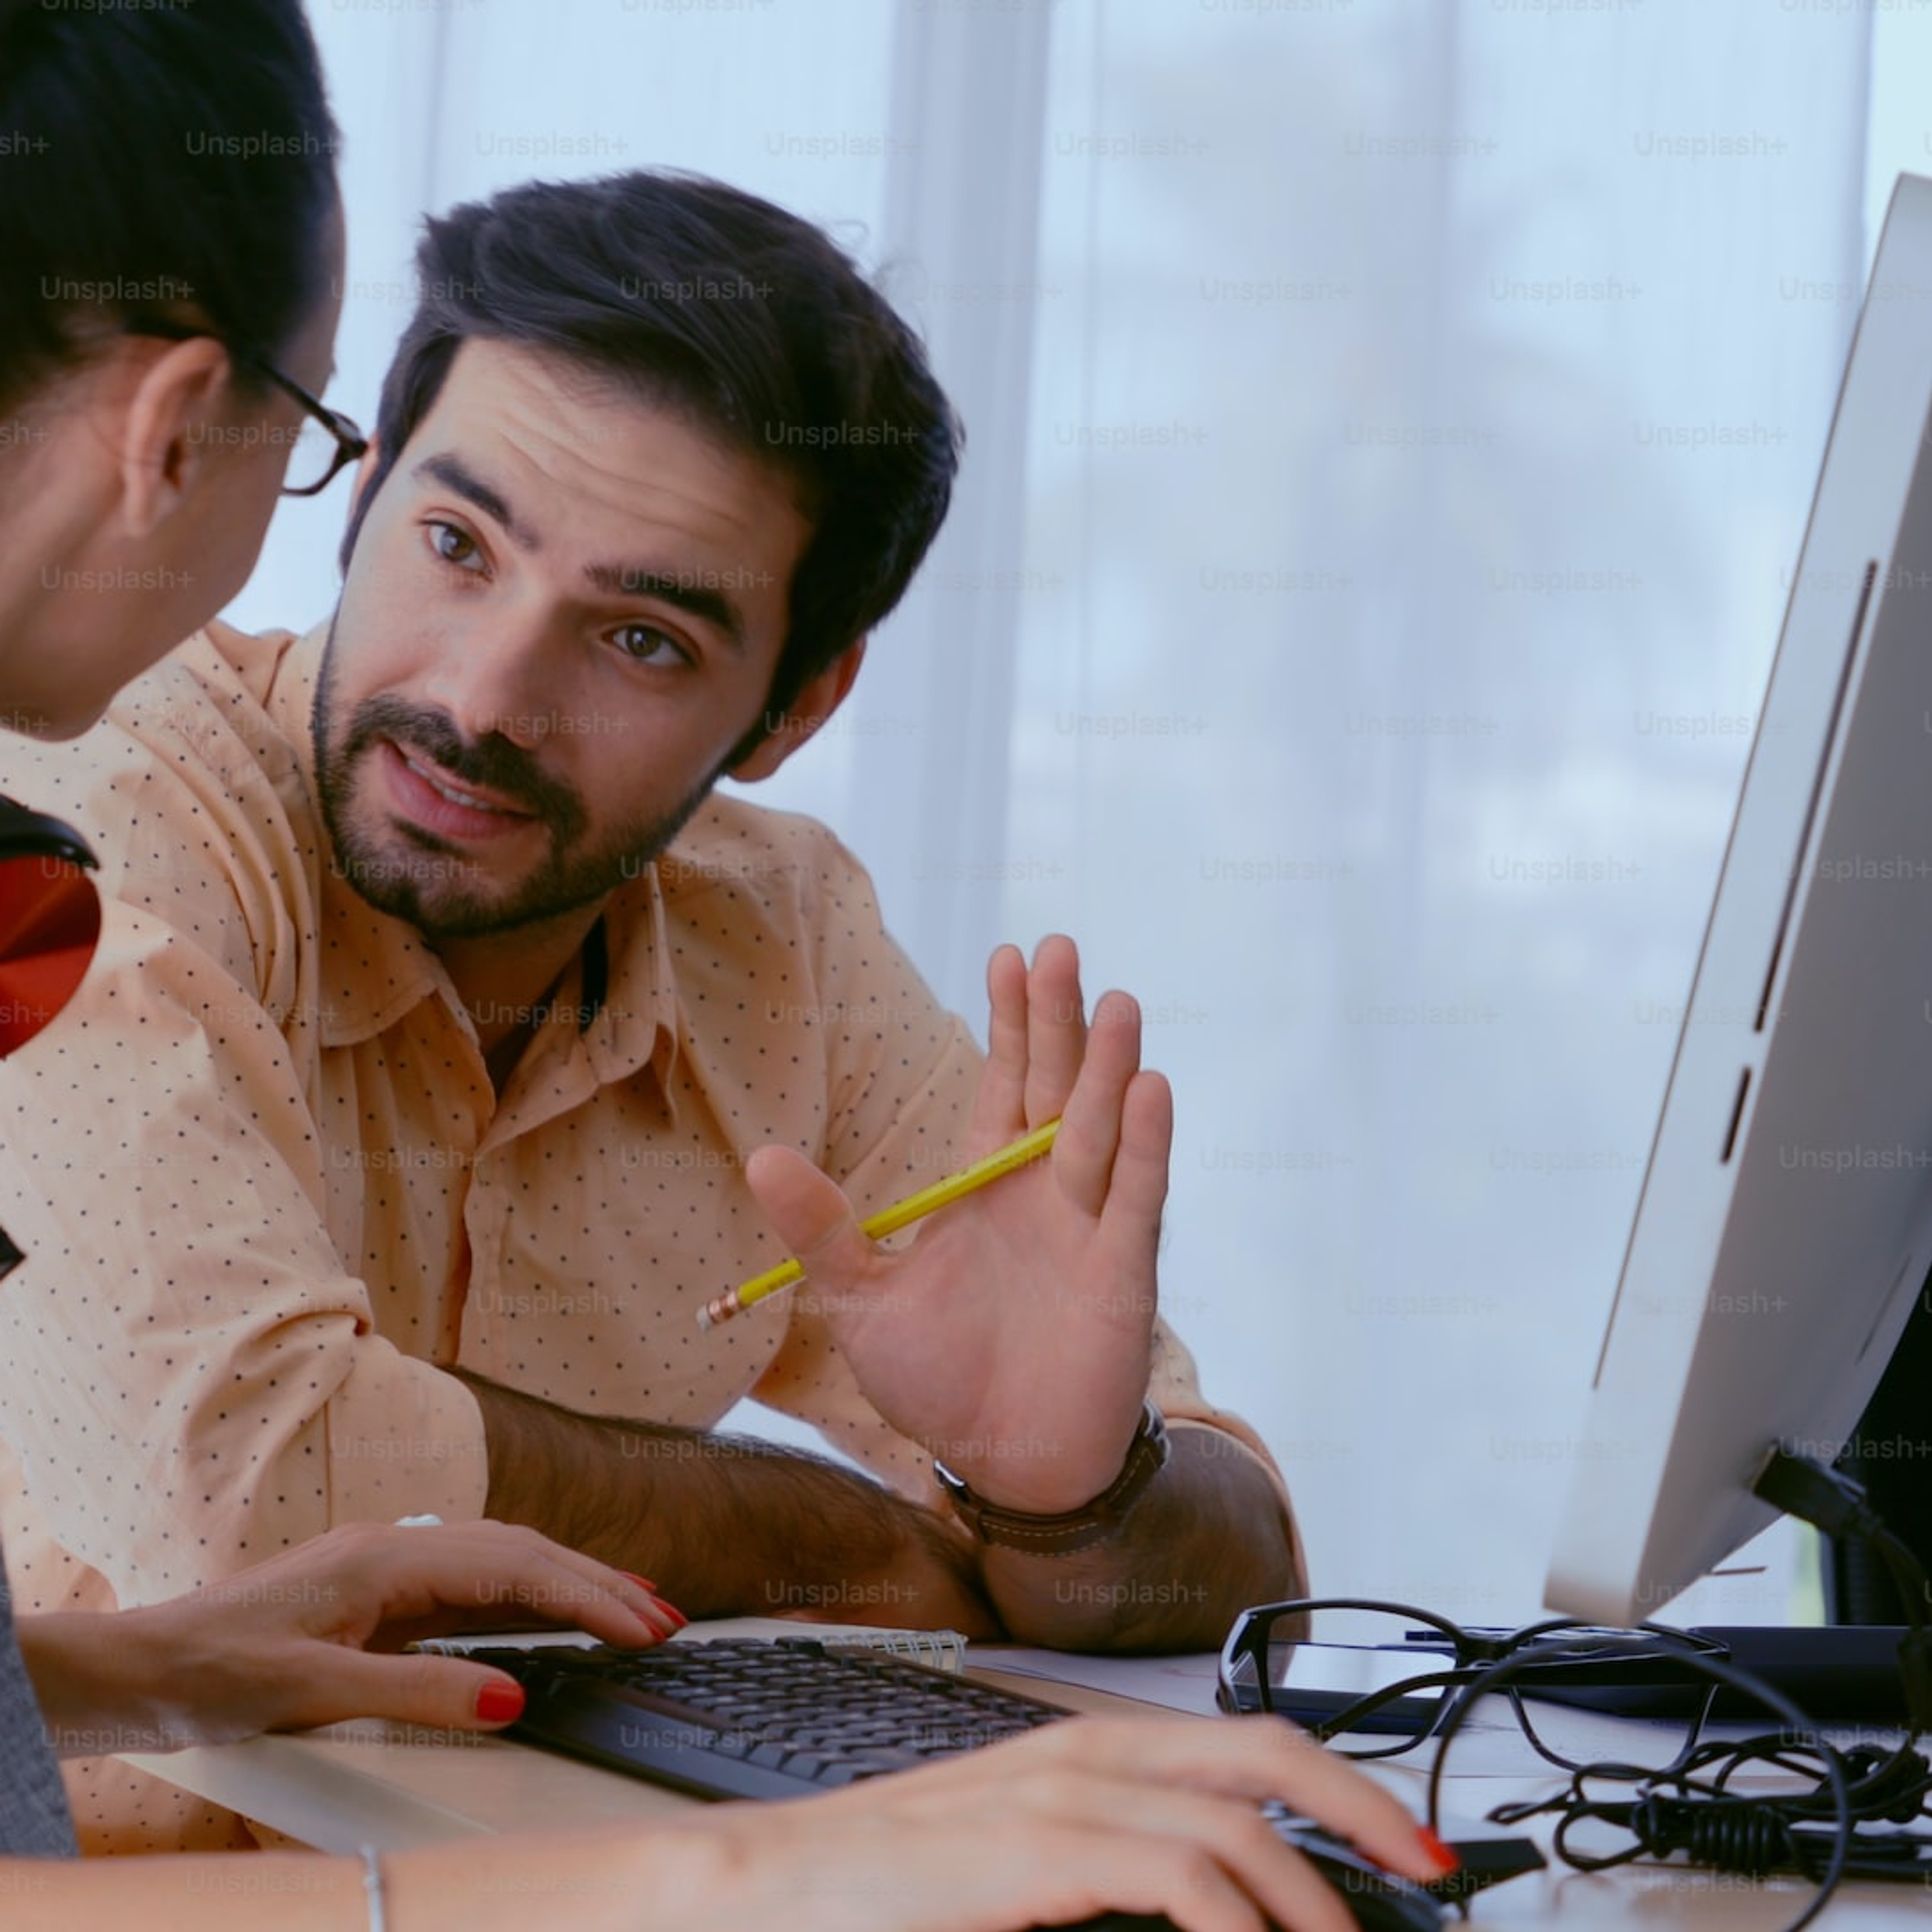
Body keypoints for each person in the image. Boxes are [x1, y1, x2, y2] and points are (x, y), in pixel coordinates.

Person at [0, 0, 1457, 1923]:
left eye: (642, 643)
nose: (480, 698)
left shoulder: (783, 941)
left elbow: (1216, 1549)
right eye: (452, 540)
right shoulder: (87, 807)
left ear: (796, 701)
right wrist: (872, 1572)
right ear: (328, 489)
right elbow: (255, 1480)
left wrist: (1065, 1496)